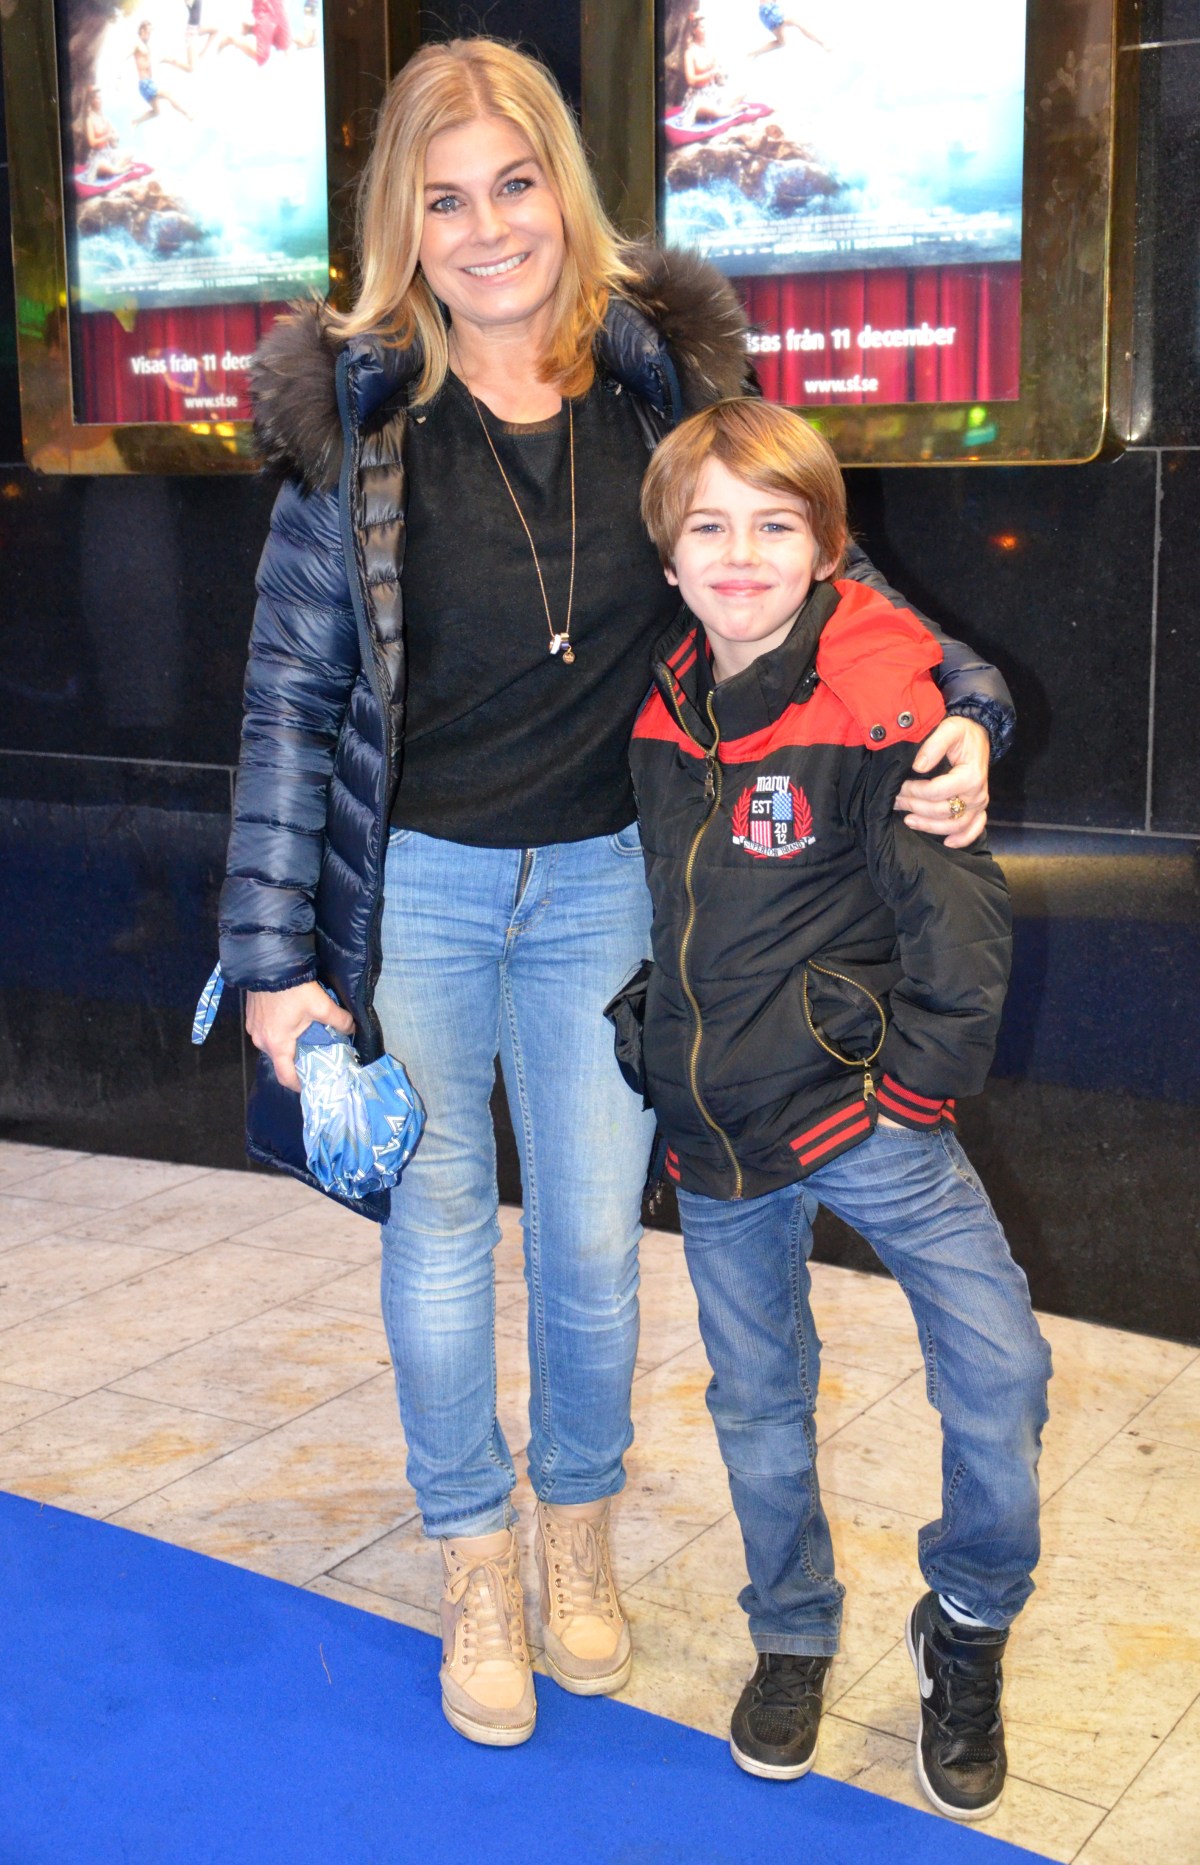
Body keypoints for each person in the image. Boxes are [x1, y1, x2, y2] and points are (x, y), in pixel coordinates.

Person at [219, 36, 1013, 1750]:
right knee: (440, 1239)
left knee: (589, 1246)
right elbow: (288, 702)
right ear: (402, 226)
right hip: (419, 893)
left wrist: (965, 703)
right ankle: (474, 1561)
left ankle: (575, 1534)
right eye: (445, 200)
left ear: (564, 192)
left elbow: (837, 584)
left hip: (609, 889)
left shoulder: (663, 387)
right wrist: (274, 964)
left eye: (515, 184)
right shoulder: (354, 425)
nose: (488, 228)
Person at [621, 397, 1051, 1818]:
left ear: (826, 548)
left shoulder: (880, 692)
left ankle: (966, 1625)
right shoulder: (656, 706)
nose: (740, 555)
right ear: (670, 559)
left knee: (1001, 1374)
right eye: (709, 528)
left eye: (775, 525)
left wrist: (912, 1091)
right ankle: (792, 1633)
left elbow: (961, 922)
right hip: (721, 1133)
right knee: (758, 1404)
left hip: (873, 1123)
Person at [131, 21, 191, 124]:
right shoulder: (137, 44)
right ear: (142, 31)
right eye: (148, 32)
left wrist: (165, 60)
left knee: (157, 112)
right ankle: (188, 114)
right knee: (168, 94)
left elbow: (148, 62)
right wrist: (119, 78)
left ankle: (135, 122)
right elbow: (125, 56)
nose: (150, 35)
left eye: (151, 32)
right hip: (145, 84)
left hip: (148, 83)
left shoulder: (146, 46)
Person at [749, 4, 832, 58]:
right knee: (797, 22)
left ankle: (752, 54)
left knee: (781, 42)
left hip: (764, 13)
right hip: (769, 10)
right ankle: (823, 43)